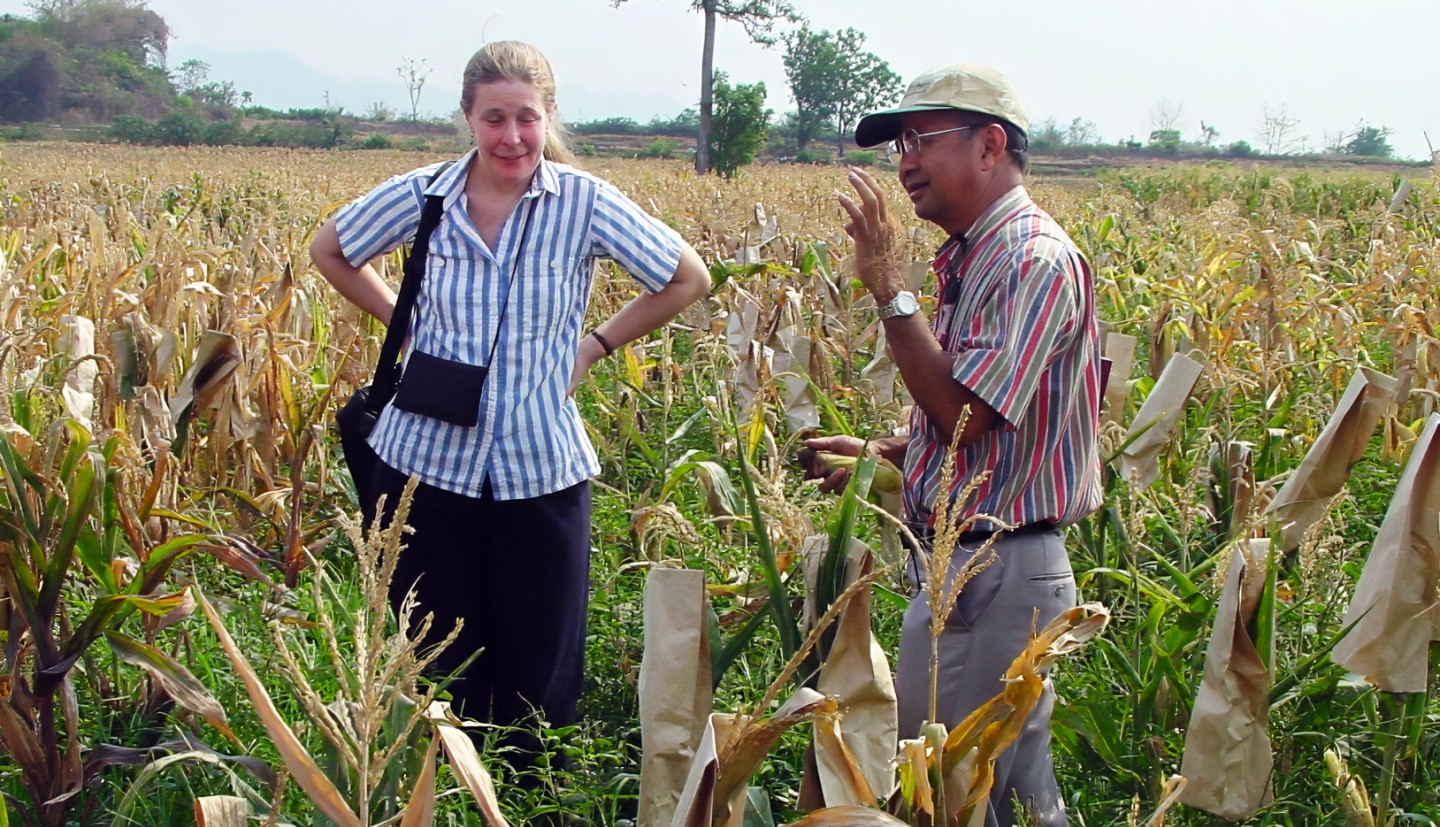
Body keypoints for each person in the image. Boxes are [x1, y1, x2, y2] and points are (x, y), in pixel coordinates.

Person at [309, 40, 711, 768]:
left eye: (526, 117)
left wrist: (593, 347)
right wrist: (404, 319)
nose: (512, 137)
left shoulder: (583, 202)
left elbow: (687, 277)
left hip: (541, 468)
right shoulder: (423, 196)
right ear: (468, 117)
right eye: (494, 117)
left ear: (548, 114)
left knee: (541, 672)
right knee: (435, 660)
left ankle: (529, 800)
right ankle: (446, 794)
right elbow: (330, 248)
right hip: (423, 471)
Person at [804, 64, 1101, 826]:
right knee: (1001, 797)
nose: (904, 161)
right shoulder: (981, 254)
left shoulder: (1029, 259)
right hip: (971, 569)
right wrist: (884, 453)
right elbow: (985, 433)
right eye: (899, 143)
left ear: (990, 144)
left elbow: (967, 415)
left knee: (961, 797)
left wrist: (886, 289)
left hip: (995, 572)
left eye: (920, 139)